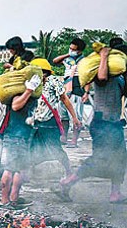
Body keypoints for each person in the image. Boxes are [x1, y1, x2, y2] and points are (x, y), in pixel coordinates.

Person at [60, 47, 127, 203]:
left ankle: (115, 193)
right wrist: (104, 56)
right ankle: (67, 181)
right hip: (102, 124)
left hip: (114, 124)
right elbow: (102, 78)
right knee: (99, 159)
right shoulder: (100, 73)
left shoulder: (119, 78)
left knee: (121, 158)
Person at [29, 58, 81, 180]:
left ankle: (69, 172)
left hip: (49, 123)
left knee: (56, 149)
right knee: (31, 148)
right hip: (35, 122)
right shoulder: (32, 83)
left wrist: (74, 117)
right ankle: (29, 174)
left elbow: (64, 99)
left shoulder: (53, 81)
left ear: (44, 72)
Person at [0, 72, 40, 210]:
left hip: (23, 135)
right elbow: (16, 106)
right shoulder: (20, 93)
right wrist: (29, 90)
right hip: (15, 136)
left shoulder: (31, 95)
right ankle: (5, 202)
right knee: (10, 168)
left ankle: (14, 199)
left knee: (20, 168)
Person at [52, 38, 86, 147]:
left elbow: (88, 77)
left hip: (77, 89)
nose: (71, 50)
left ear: (79, 51)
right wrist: (68, 55)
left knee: (76, 116)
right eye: (70, 48)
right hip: (65, 88)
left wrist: (87, 92)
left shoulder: (83, 61)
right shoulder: (67, 59)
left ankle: (74, 140)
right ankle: (64, 137)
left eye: (74, 49)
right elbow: (55, 61)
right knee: (64, 116)